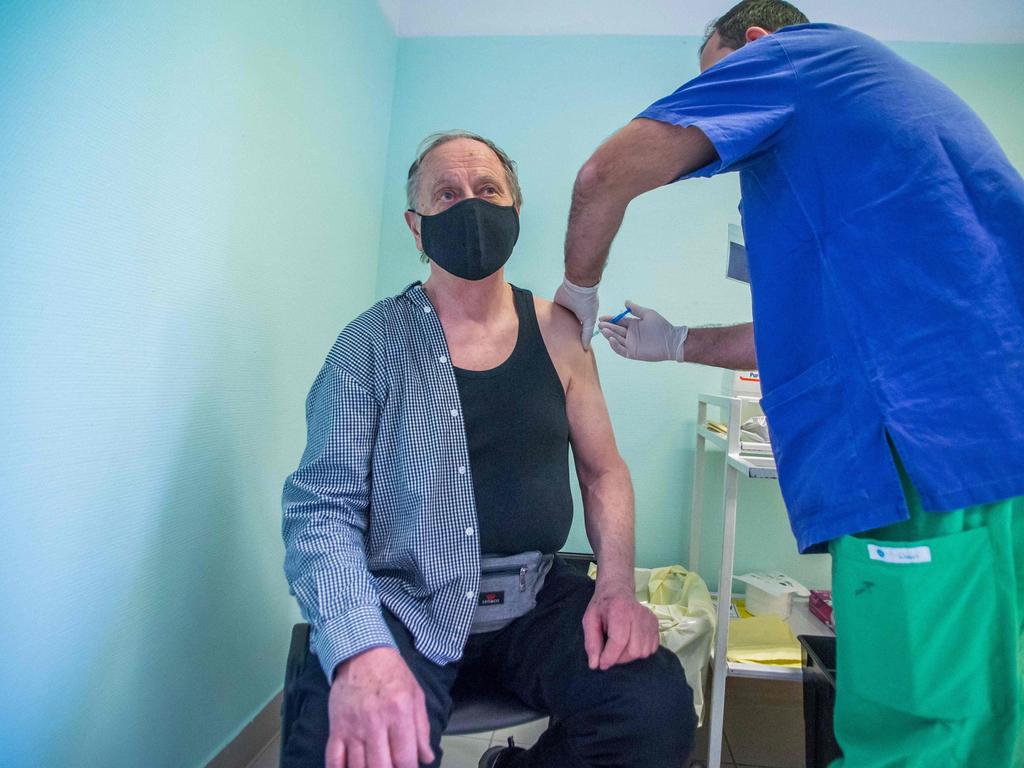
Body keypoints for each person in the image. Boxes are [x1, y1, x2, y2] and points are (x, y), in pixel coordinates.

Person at [554, 1, 1024, 766]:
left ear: (757, 45)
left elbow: (603, 174)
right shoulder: (880, 117)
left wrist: (576, 291)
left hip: (923, 457)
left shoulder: (794, 61)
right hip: (993, 448)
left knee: (915, 731)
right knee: (993, 717)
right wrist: (676, 343)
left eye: (717, 80)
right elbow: (825, 334)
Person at [280, 130, 695, 768]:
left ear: (516, 210)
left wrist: (615, 586)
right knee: (346, 746)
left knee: (652, 710)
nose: (470, 206)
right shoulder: (366, 347)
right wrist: (360, 650)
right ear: (417, 229)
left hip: (534, 600)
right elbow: (322, 510)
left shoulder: (561, 335)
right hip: (405, 601)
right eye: (447, 194)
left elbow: (603, 470)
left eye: (487, 190)